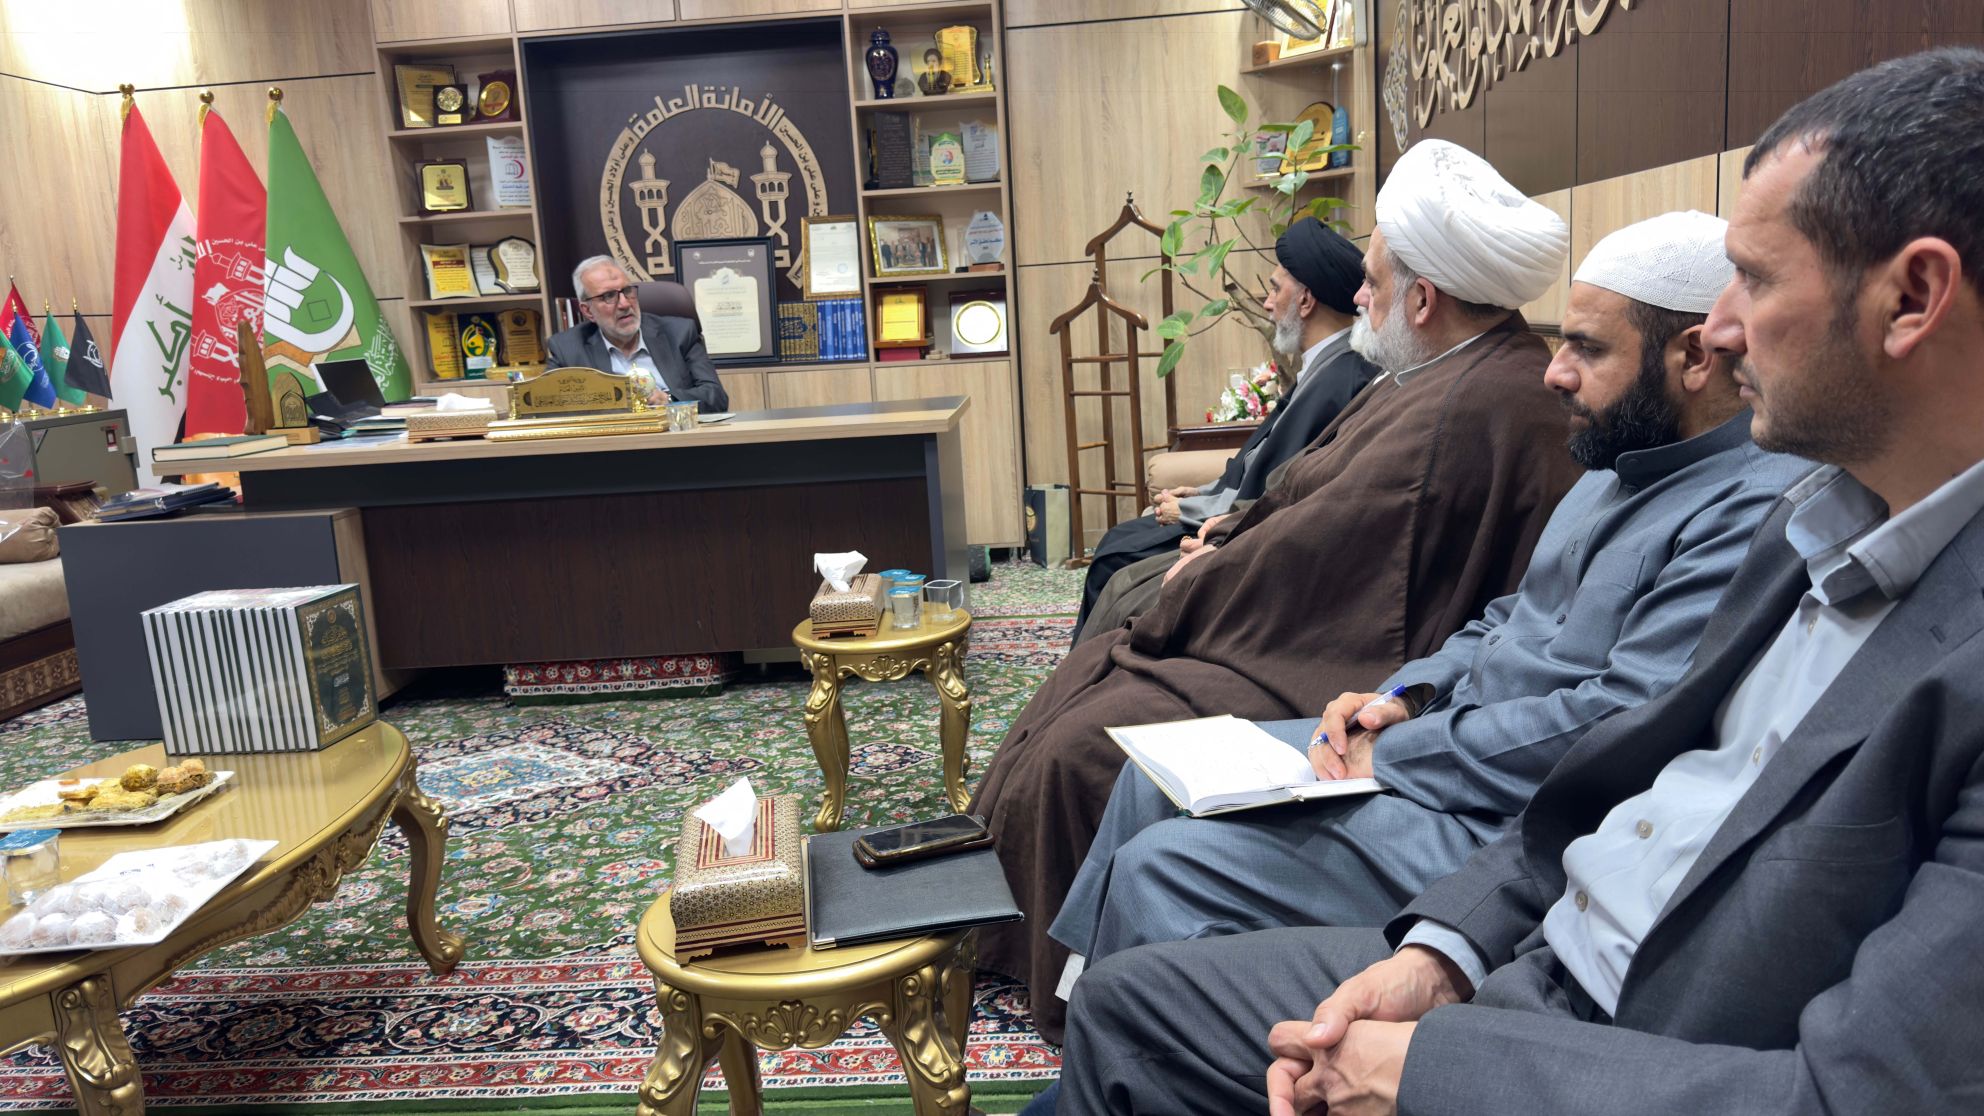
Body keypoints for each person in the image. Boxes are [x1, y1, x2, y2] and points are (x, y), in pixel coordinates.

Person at [1052, 47, 1984, 1116]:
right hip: (1533, 935)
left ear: (1913, 297)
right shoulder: (1808, 520)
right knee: (1126, 1001)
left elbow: (1852, 1083)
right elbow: (1618, 772)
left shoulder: (1770, 514)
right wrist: (1443, 941)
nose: (1727, 332)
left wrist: (1428, 1061)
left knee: (1165, 882)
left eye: (1759, 281)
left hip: (1615, 1022)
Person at [1032, 211, 1810, 1058]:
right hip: (1442, 748)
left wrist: (1401, 751)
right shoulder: (1611, 464)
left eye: (1587, 350)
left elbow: (1614, 726)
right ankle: (1085, 1030)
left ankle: (1145, 1061)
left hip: (1507, 818)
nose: (1555, 372)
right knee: (1154, 774)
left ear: (1693, 357)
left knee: (1165, 867)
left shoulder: (1747, 508)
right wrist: (1403, 695)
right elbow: (1508, 616)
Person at [970, 139, 1585, 1038]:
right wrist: (1219, 548)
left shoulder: (1475, 400)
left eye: (1371, 280)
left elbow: (1333, 556)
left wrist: (1197, 589)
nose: (1359, 296)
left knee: (1087, 743)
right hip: (1311, 632)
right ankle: (1058, 965)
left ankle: (1090, 1005)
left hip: (1332, 654)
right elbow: (1304, 502)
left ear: (1423, 299)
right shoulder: (1432, 372)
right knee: (1097, 665)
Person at [1072, 219, 1379, 639]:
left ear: (1306, 300)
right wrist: (1201, 492)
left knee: (1113, 559)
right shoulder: (1326, 365)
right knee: (1116, 543)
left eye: (1275, 289)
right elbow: (1261, 460)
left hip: (1236, 530)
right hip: (1224, 512)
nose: (1267, 304)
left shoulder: (1338, 380)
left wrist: (1194, 510)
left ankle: (1087, 674)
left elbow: (1281, 488)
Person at [546, 255, 728, 412]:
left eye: (627, 291)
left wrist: (669, 400)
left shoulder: (679, 333)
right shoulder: (568, 349)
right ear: (588, 311)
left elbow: (716, 398)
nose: (625, 304)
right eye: (608, 296)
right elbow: (546, 408)